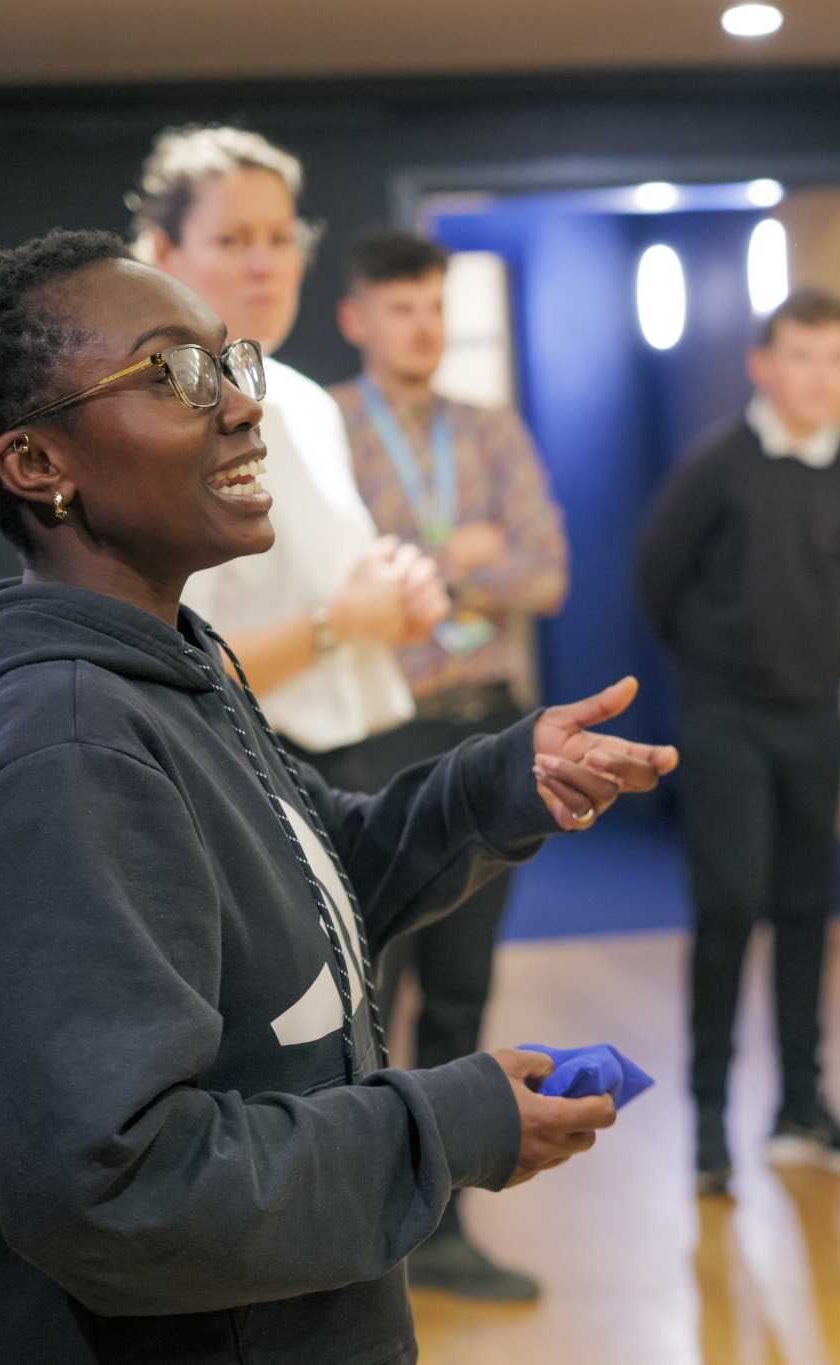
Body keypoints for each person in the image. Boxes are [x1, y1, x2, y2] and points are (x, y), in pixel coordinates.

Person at [0, 228, 676, 1364]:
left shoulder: (166, 662)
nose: (243, 408)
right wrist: (448, 1120)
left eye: (227, 364)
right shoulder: (71, 746)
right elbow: (119, 1187)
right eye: (174, 376)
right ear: (39, 467)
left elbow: (301, 883)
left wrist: (497, 782)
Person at [328, 231, 571, 1298]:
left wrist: (431, 571)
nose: (421, 327)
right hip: (376, 728)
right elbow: (335, 580)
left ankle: (444, 1226)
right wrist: (459, 553)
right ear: (357, 320)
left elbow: (547, 571)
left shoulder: (491, 428)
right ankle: (349, 1218)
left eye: (434, 307)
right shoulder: (321, 429)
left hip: (489, 732)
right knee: (363, 984)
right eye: (400, 308)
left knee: (465, 983)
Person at [634, 288, 840, 1198]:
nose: (821, 378)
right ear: (763, 365)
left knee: (809, 909)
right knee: (729, 905)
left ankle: (803, 1107)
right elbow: (656, 577)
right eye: (802, 357)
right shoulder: (717, 468)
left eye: (837, 359)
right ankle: (708, 1120)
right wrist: (716, 672)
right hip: (725, 718)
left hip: (816, 719)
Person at [128, 125, 449, 780]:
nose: (264, 264)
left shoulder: (307, 404)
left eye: (279, 238)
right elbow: (153, 664)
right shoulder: (152, 416)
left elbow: (338, 610)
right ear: (164, 252)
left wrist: (396, 602)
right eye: (232, 240)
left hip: (338, 765)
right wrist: (339, 622)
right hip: (224, 766)